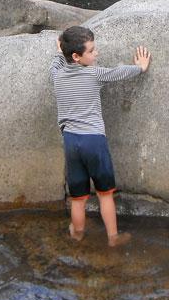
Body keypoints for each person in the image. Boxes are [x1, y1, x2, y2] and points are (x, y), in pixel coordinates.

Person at [50, 26, 151, 247]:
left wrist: (61, 51)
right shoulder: (95, 74)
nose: (96, 54)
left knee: (78, 198)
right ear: (76, 57)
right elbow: (119, 72)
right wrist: (140, 68)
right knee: (104, 194)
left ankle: (77, 235)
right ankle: (113, 238)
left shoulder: (56, 74)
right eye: (91, 51)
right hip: (93, 141)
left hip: (71, 142)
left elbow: (58, 61)